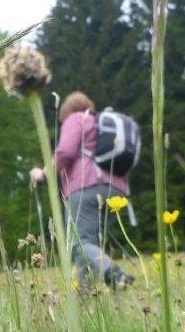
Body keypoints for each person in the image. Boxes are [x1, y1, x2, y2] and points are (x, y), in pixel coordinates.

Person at [30, 91, 134, 289]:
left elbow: (66, 152)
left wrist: (43, 174)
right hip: (116, 191)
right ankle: (84, 298)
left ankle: (114, 274)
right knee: (89, 246)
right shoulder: (100, 125)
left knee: (79, 244)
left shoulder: (76, 118)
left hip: (85, 187)